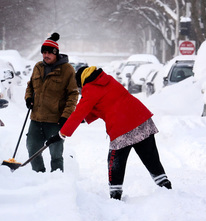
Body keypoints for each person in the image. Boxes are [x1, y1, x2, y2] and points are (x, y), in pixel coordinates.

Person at [47, 65, 172, 200]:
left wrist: (61, 134)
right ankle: (166, 188)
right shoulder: (107, 79)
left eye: (79, 86)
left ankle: (115, 195)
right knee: (150, 158)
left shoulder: (90, 88)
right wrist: (85, 119)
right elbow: (104, 105)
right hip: (142, 120)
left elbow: (79, 112)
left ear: (82, 81)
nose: (80, 89)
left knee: (115, 161)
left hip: (122, 128)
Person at [24, 32, 79, 172]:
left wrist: (66, 116)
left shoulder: (67, 70)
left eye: (49, 53)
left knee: (56, 154)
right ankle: (39, 175)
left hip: (55, 120)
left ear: (56, 53)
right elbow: (30, 86)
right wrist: (29, 98)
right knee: (32, 149)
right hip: (36, 118)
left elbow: (73, 95)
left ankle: (57, 181)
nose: (46, 55)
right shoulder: (38, 67)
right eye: (44, 52)